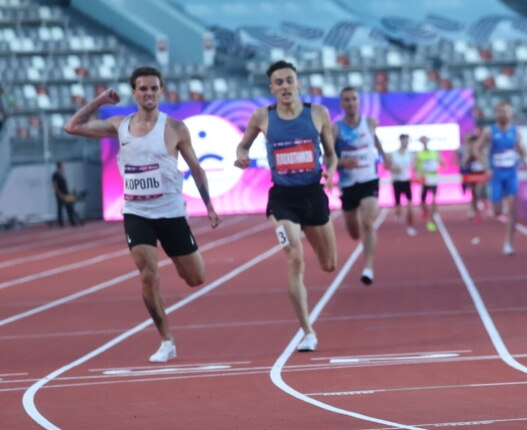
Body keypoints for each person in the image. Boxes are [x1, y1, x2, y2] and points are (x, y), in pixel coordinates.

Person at [63, 66, 221, 362]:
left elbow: (196, 168)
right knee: (148, 275)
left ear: (161, 91)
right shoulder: (119, 125)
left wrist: (209, 205)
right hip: (137, 212)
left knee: (195, 277)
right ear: (134, 92)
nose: (148, 93)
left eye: (153, 88)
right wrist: (99, 101)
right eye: (143, 88)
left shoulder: (175, 128)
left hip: (171, 212)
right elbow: (72, 127)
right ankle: (166, 340)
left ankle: (179, 261)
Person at [234, 60, 338, 353]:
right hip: (282, 199)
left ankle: (308, 327)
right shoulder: (262, 116)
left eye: (289, 80)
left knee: (329, 264)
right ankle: (307, 331)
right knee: (295, 258)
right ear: (272, 88)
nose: (285, 86)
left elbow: (331, 155)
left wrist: (331, 171)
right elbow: (243, 145)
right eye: (278, 82)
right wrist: (241, 155)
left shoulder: (318, 114)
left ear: (298, 83)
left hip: (313, 195)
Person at [334, 86, 385, 285]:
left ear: (359, 101)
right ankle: (350, 222)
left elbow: (376, 141)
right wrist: (342, 162)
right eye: (346, 99)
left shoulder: (370, 123)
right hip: (348, 184)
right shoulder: (336, 129)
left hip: (368, 179)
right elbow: (328, 158)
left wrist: (385, 157)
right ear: (342, 103)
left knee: (368, 222)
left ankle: (368, 268)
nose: (351, 103)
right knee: (354, 232)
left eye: (354, 99)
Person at [476, 100, 526, 255]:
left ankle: (508, 243)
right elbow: (477, 149)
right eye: (501, 111)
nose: (504, 114)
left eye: (506, 111)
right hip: (496, 174)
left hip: (511, 173)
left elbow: (520, 148)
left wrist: (525, 160)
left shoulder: (515, 131)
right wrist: (486, 168)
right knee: (497, 211)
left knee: (513, 209)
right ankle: (499, 208)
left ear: (510, 113)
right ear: (497, 113)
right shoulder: (489, 131)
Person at [388, 133, 418, 235]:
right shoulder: (393, 154)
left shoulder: (410, 154)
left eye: (407, 141)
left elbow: (415, 167)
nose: (406, 142)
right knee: (398, 208)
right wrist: (393, 168)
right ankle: (398, 214)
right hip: (396, 182)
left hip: (406, 182)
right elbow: (386, 165)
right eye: (405, 140)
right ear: (400, 141)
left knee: (410, 207)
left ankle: (410, 227)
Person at [415, 135, 440, 231]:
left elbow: (442, 162)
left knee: (433, 200)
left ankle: (431, 219)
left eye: (426, 140)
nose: (424, 142)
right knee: (422, 201)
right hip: (424, 180)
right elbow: (416, 167)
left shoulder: (434, 152)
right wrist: (419, 173)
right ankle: (426, 211)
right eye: (423, 140)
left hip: (433, 179)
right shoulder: (419, 154)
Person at [50, 161, 82, 227]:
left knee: (69, 207)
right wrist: (59, 194)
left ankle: (72, 221)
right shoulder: (55, 175)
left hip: (66, 193)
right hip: (60, 194)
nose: (64, 166)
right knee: (60, 208)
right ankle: (60, 222)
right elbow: (55, 185)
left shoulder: (62, 174)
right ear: (60, 166)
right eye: (63, 165)